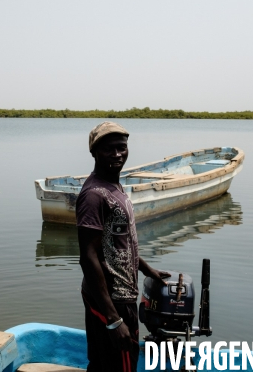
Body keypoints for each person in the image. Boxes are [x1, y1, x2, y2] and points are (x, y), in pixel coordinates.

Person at [76, 121, 170, 372]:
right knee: (120, 365)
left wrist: (147, 269)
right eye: (109, 149)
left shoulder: (115, 187)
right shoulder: (94, 195)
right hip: (111, 299)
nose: (117, 154)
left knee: (105, 364)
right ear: (94, 152)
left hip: (122, 295)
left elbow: (120, 243)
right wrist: (114, 320)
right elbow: (88, 257)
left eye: (122, 148)